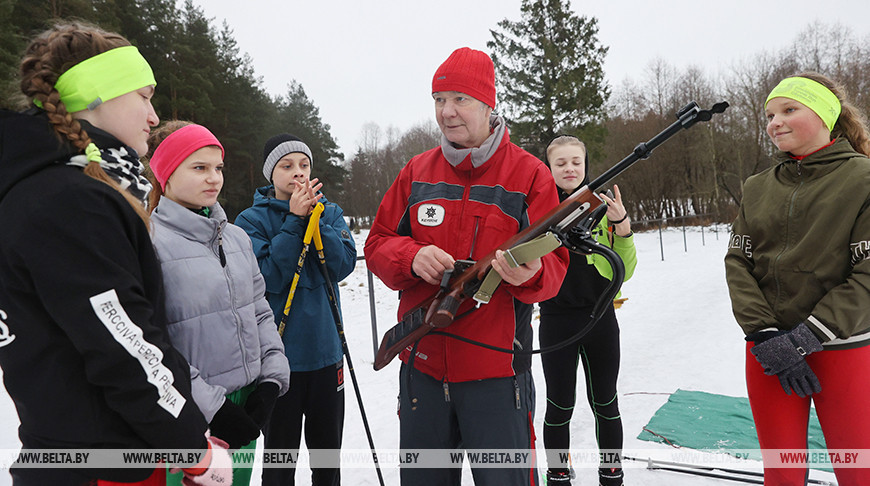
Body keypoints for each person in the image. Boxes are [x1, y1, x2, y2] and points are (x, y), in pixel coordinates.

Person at [0, 22, 231, 486]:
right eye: (144, 96)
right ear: (99, 96)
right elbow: (121, 339)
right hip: (97, 462)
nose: (152, 116)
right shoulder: (68, 199)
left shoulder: (44, 186)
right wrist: (191, 447)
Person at [364, 47, 570, 486]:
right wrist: (411, 256)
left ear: (488, 105)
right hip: (421, 369)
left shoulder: (529, 176)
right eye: (439, 99)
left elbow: (555, 267)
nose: (446, 112)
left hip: (497, 378)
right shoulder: (416, 173)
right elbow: (378, 242)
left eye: (459, 99)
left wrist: (529, 274)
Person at [725, 72, 870, 485]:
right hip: (769, 353)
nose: (775, 123)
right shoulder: (756, 187)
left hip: (843, 351)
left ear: (826, 114)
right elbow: (738, 263)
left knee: (858, 471)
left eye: (789, 110)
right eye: (769, 115)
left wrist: (806, 337)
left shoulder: (863, 179)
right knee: (782, 475)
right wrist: (767, 336)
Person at [146, 122, 291, 486]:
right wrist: (214, 407)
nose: (214, 178)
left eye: (218, 168)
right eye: (199, 168)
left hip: (246, 408)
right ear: (166, 174)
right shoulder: (147, 241)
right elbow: (153, 342)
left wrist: (271, 381)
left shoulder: (237, 239)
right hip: (188, 410)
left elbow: (259, 311)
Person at [235, 134, 356, 486]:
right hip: (280, 360)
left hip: (326, 354)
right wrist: (293, 221)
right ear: (270, 174)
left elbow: (343, 264)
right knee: (279, 460)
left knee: (327, 458)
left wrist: (315, 219)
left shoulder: (329, 211)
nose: (298, 173)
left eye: (304, 165)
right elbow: (269, 275)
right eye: (287, 166)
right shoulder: (251, 221)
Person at [538, 136, 637, 486]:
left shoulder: (603, 207)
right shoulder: (539, 207)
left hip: (600, 318)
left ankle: (611, 472)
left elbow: (622, 270)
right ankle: (558, 472)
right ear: (549, 168)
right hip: (555, 320)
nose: (569, 168)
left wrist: (621, 225)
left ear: (585, 164)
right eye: (561, 163)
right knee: (559, 405)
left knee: (605, 402)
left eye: (575, 162)